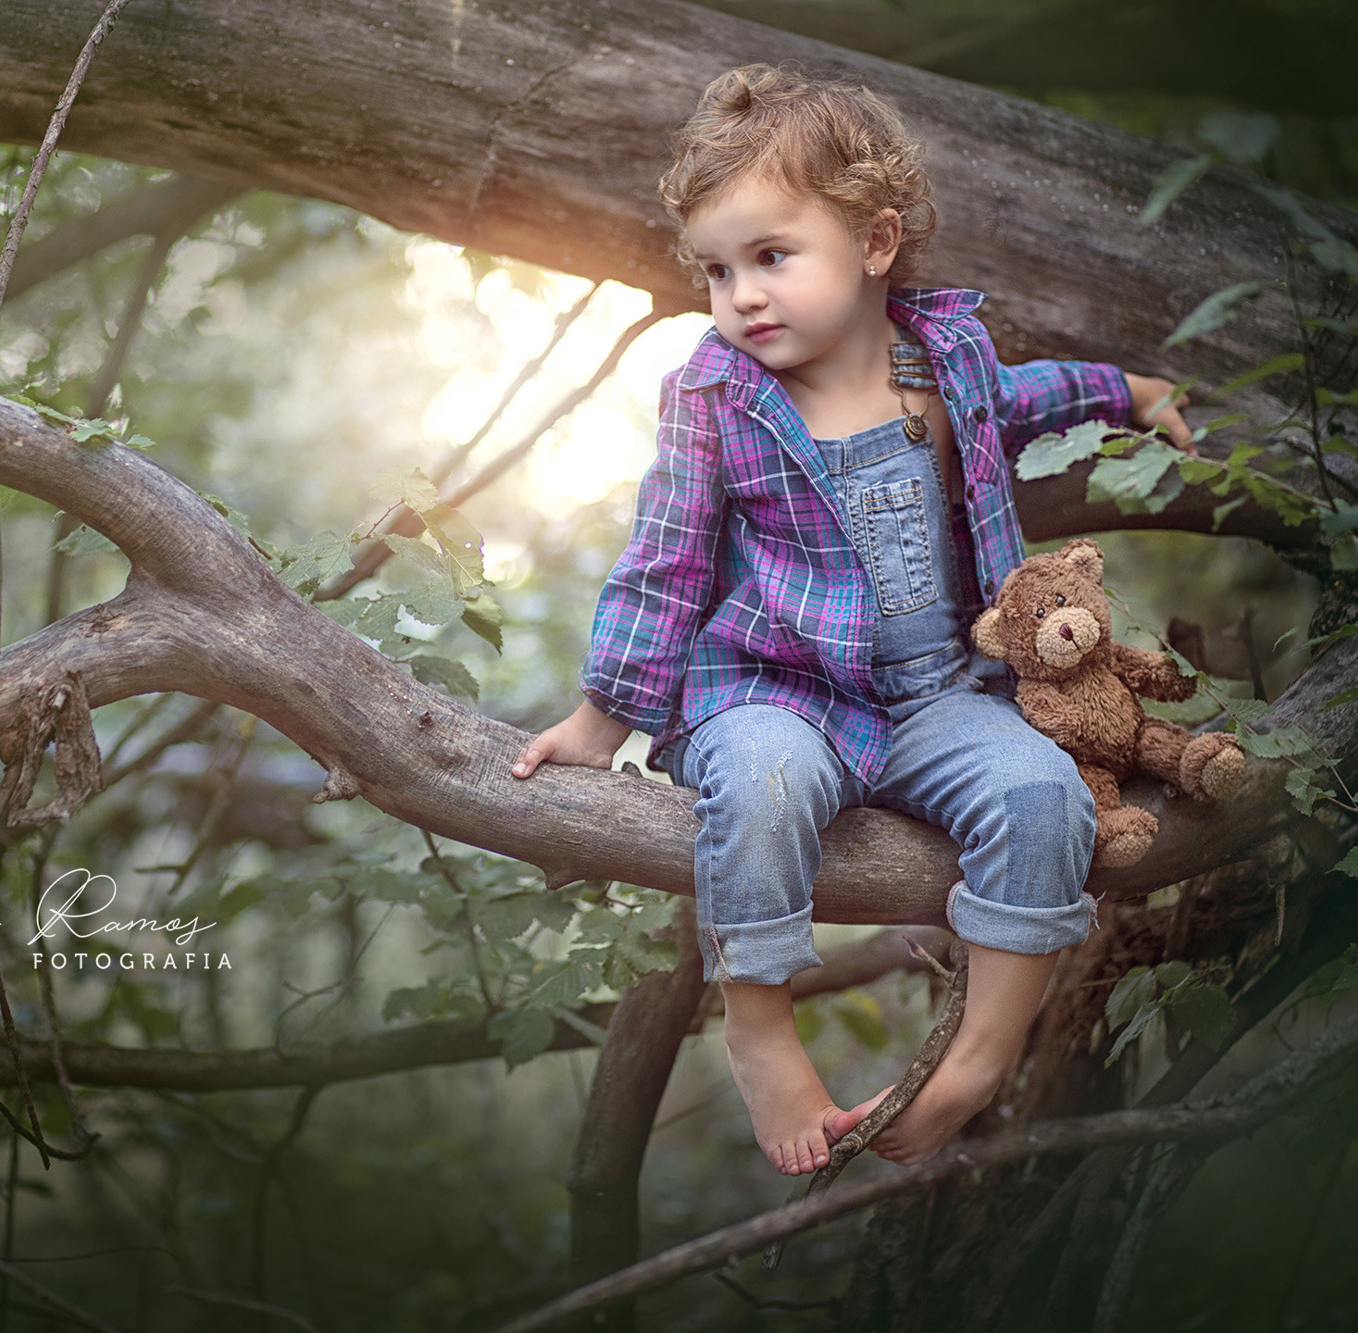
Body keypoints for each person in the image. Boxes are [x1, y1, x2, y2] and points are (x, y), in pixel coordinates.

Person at [508, 64, 1194, 1176]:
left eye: (770, 257)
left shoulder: (947, 358)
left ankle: (972, 1061)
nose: (740, 296)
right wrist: (604, 712)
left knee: (1039, 796)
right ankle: (759, 1020)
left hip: (940, 695)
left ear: (875, 243)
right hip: (774, 689)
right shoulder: (716, 395)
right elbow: (665, 555)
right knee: (762, 782)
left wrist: (1127, 391)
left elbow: (1025, 398)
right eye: (716, 269)